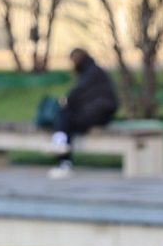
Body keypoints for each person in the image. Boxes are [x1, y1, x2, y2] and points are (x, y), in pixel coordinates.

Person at [45, 48, 119, 179]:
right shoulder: (92, 71)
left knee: (64, 117)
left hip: (99, 114)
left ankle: (62, 156)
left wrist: (66, 101)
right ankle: (61, 151)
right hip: (95, 113)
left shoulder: (91, 73)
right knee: (65, 119)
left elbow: (77, 93)